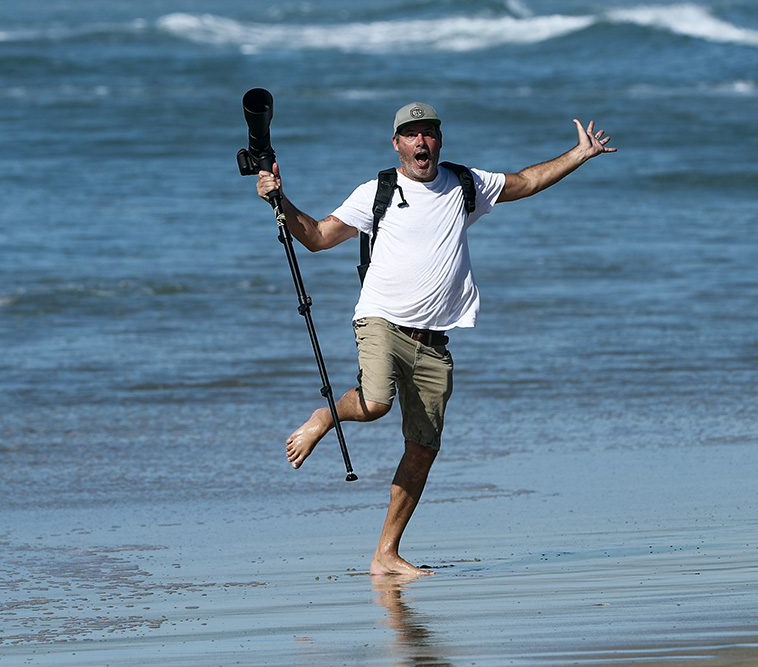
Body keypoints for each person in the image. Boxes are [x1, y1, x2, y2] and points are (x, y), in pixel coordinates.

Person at [256, 102, 615, 577]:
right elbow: (318, 237)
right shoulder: (378, 191)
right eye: (412, 135)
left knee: (423, 449)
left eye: (429, 134)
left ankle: (385, 555)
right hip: (382, 320)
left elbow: (526, 182)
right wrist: (279, 200)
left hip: (435, 342)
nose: (421, 143)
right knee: (377, 401)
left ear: (439, 141)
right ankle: (327, 415)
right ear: (397, 143)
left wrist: (579, 154)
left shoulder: (464, 184)